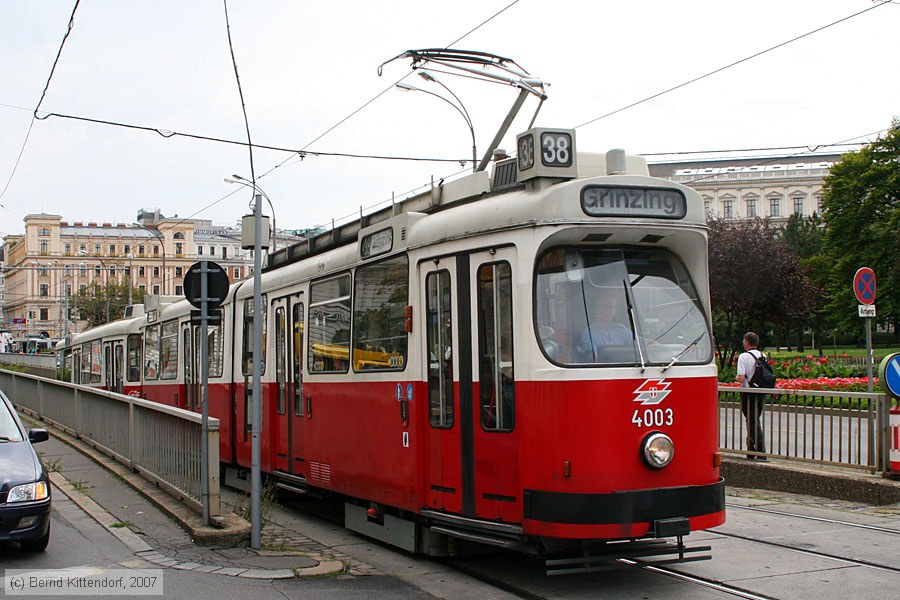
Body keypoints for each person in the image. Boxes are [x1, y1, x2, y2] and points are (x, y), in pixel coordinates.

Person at [736, 331, 768, 461]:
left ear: (747, 342)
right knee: (753, 419)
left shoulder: (743, 356)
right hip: (761, 391)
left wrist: (737, 379)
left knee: (752, 420)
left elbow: (741, 377)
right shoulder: (762, 355)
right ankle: (751, 450)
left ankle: (760, 451)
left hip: (748, 392)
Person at [580, 291, 633, 360]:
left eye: (611, 307)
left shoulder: (622, 329)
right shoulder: (588, 333)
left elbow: (637, 343)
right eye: (603, 306)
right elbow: (592, 358)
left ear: (614, 311)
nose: (607, 310)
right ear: (595, 309)